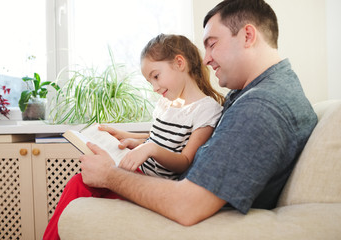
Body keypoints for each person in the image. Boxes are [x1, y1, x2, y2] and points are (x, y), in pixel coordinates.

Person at [78, 0, 317, 227]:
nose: (206, 59)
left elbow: (188, 205)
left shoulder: (260, 106)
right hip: (177, 190)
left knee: (81, 189)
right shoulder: (258, 90)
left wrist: (110, 175)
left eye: (212, 44)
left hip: (184, 210)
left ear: (247, 36)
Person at [43, 34, 224, 239]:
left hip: (153, 185)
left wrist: (150, 149)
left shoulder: (206, 110)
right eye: (150, 82)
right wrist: (124, 136)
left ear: (179, 63)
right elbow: (157, 137)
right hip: (139, 173)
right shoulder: (168, 103)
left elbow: (184, 161)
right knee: (80, 181)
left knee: (79, 184)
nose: (155, 88)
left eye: (156, 76)